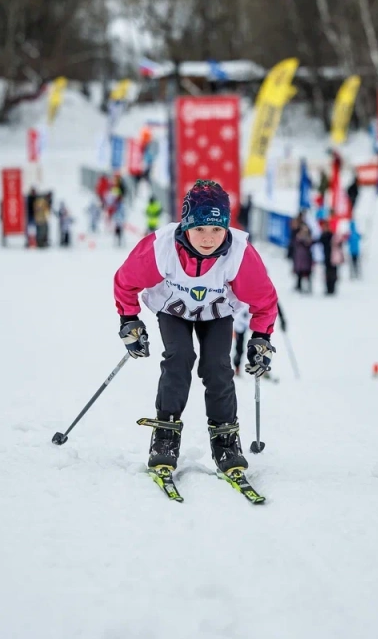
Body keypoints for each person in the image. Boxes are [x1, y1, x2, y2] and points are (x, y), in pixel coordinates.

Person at [113, 179, 278, 475]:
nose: (208, 238)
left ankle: (226, 440)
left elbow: (264, 301)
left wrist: (261, 338)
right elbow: (125, 281)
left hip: (216, 315)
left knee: (218, 367)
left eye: (217, 229)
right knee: (179, 358)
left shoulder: (239, 253)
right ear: (185, 224)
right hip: (172, 310)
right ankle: (165, 436)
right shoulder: (161, 247)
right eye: (199, 228)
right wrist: (129, 320)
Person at [320, 219, 344, 295]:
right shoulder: (323, 235)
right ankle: (328, 288)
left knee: (333, 273)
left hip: (333, 258)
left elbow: (340, 244)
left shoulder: (332, 236)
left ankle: (332, 288)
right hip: (327, 258)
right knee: (327, 274)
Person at [292, 222, 314, 293]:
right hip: (300, 258)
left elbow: (310, 244)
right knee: (300, 274)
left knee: (308, 274)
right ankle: (299, 286)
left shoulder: (309, 237)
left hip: (307, 258)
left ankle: (308, 288)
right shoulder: (298, 236)